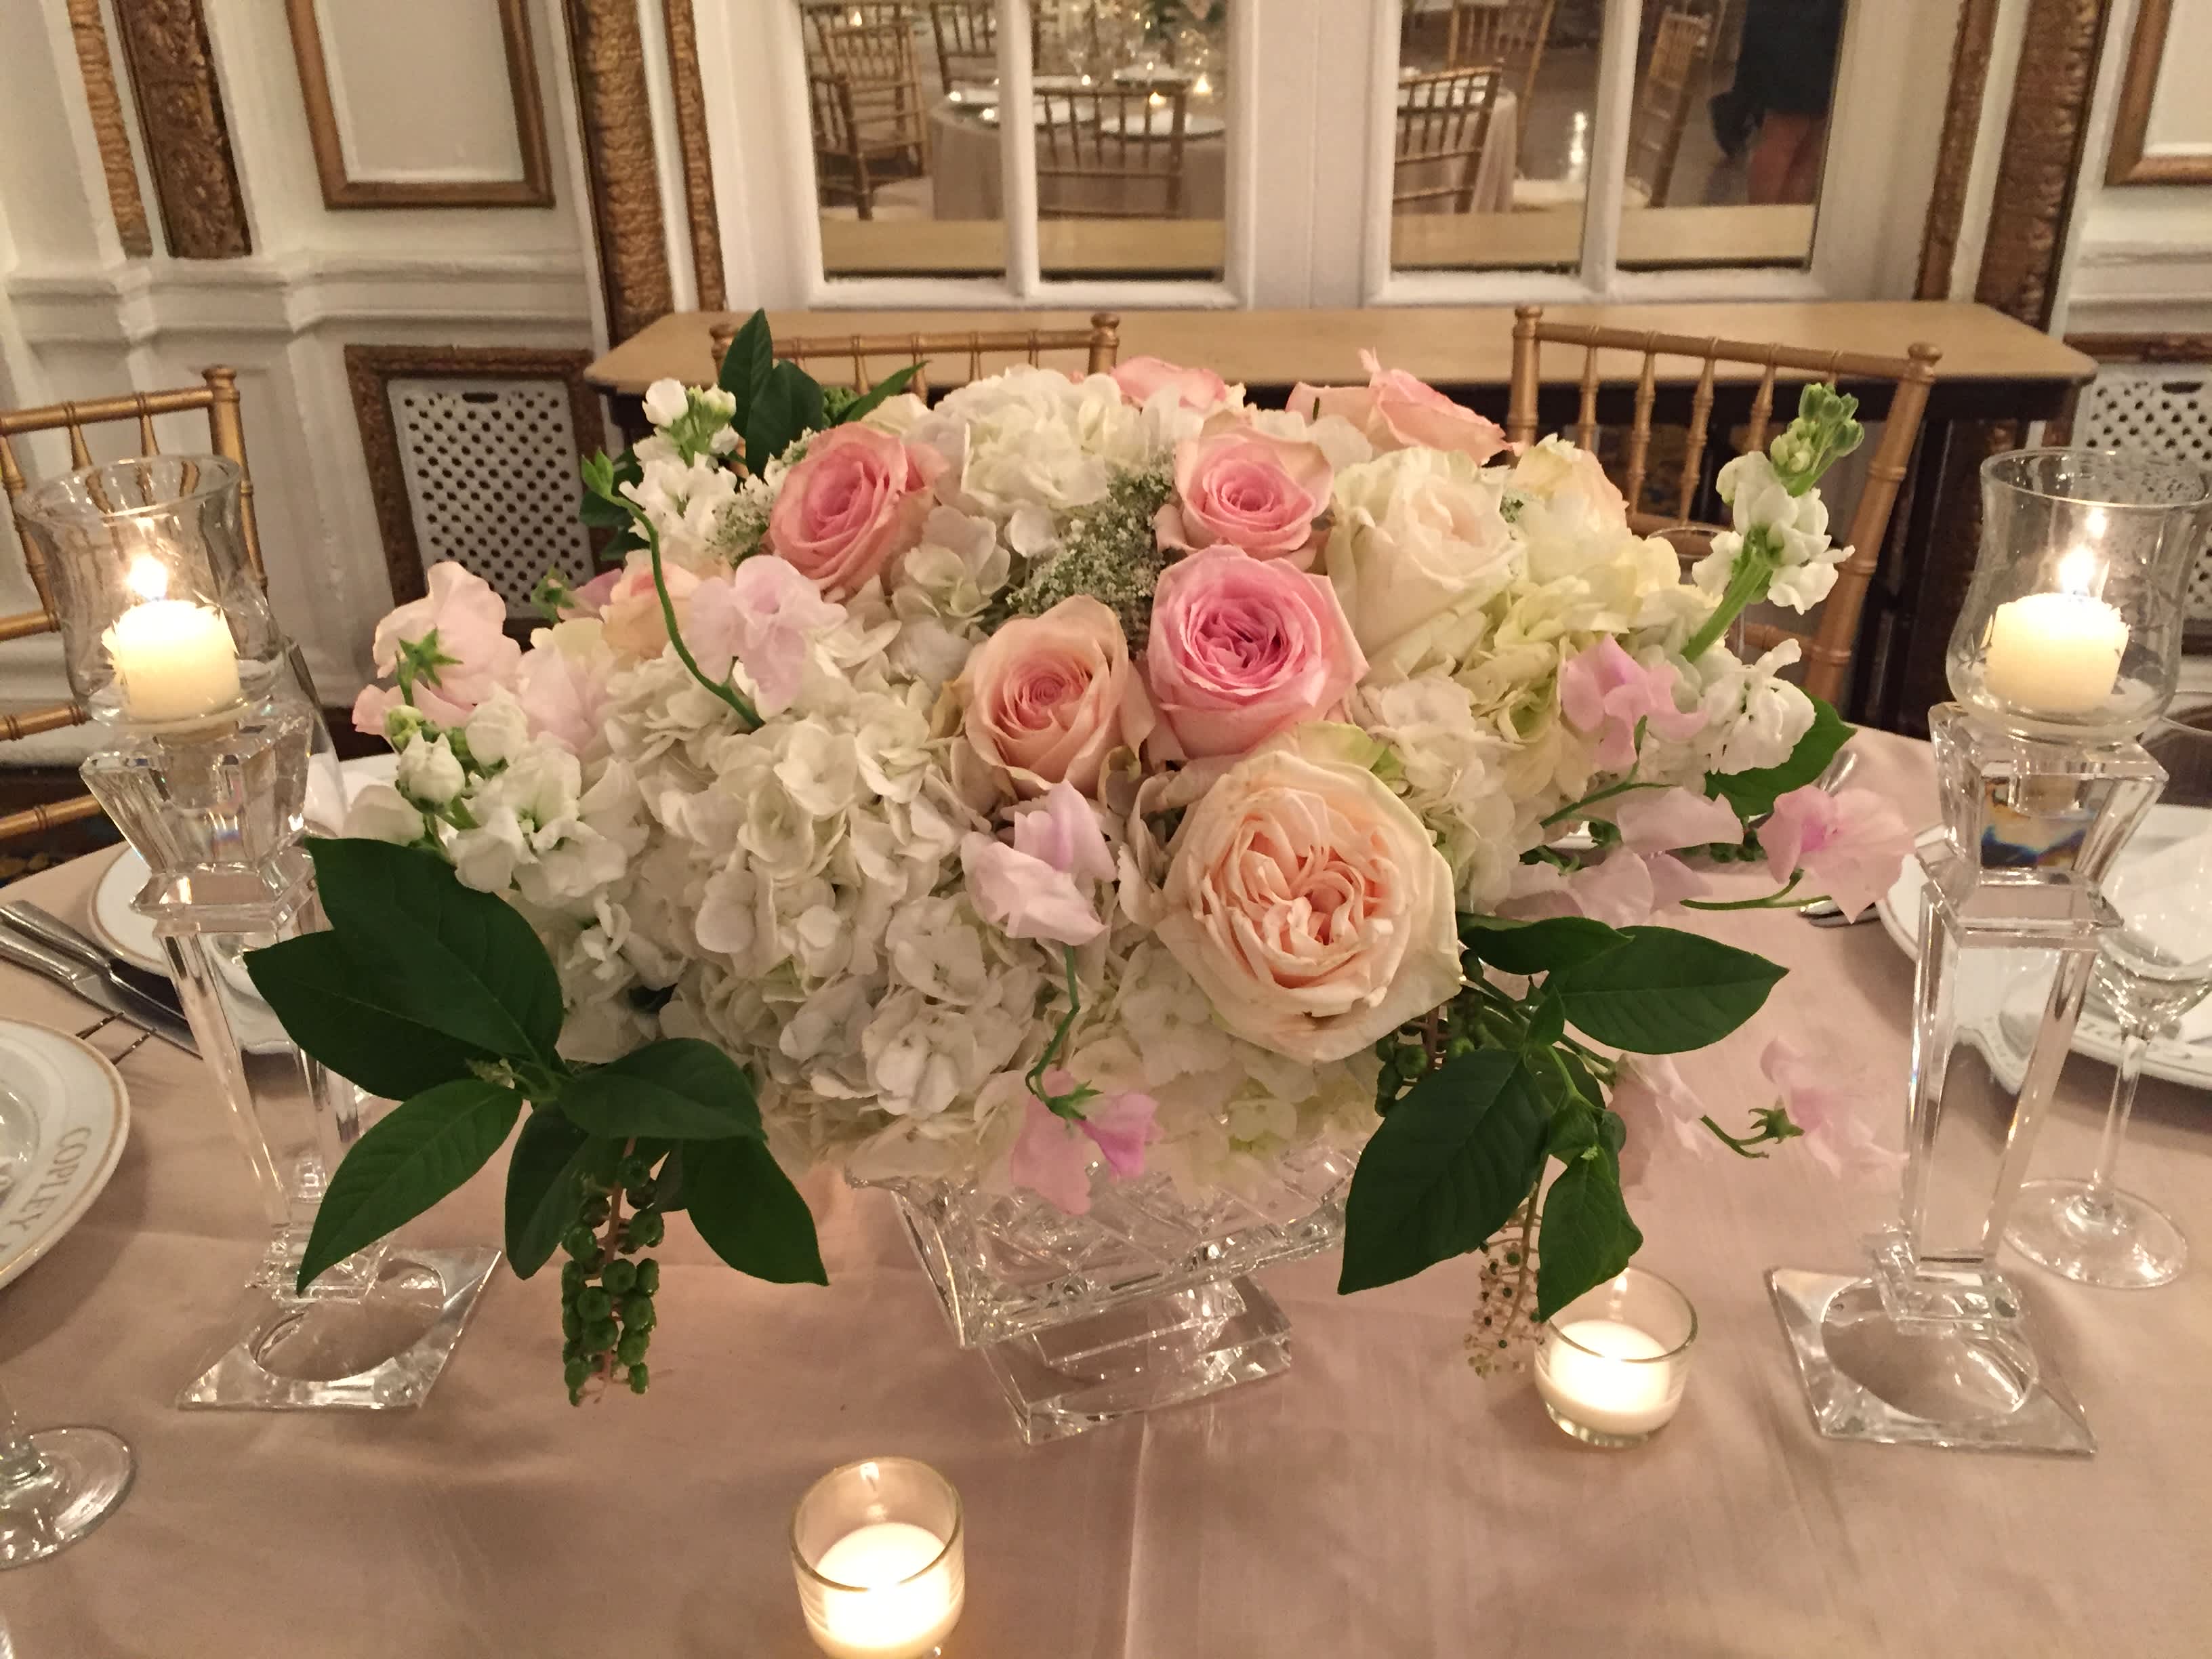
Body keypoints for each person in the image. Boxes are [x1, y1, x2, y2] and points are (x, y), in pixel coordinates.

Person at [1708, 0, 1845, 205]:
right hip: (1798, 25)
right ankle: (1764, 220)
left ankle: (1783, 220)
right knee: (1787, 133)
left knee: (1810, 140)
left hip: (1819, 25)